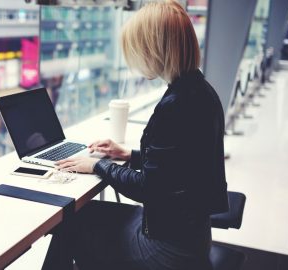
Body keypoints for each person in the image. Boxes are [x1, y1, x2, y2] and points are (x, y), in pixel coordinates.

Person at [42, 1, 229, 270]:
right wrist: (128, 154)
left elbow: (148, 188)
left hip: (168, 250)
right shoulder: (200, 91)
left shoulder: (176, 105)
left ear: (154, 49)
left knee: (69, 225)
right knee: (83, 216)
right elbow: (178, 167)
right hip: (192, 236)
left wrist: (98, 165)